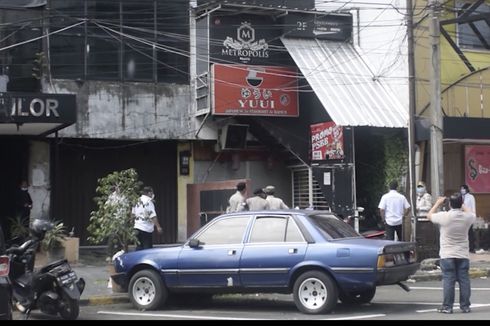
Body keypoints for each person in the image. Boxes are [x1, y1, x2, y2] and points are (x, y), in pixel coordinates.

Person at [427, 193, 476, 314]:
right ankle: (465, 306)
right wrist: (462, 204)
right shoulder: (467, 217)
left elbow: (429, 215)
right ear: (461, 204)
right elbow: (472, 213)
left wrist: (438, 203)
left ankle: (447, 307)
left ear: (449, 204)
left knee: (449, 280)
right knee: (464, 280)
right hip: (463, 254)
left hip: (447, 254)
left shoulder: (445, 216)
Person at [132, 186, 162, 251]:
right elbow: (153, 215)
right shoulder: (149, 202)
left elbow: (132, 214)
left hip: (137, 227)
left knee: (139, 247)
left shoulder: (137, 200)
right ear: (149, 193)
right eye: (152, 192)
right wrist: (158, 227)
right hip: (146, 229)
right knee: (147, 250)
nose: (153, 194)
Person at [461, 184, 476, 253]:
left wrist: (473, 216)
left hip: (469, 217)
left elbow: (473, 207)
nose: (462, 190)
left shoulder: (470, 197)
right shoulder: (460, 197)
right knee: (463, 234)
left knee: (470, 233)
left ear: (466, 189)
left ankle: (472, 248)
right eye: (461, 189)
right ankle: (464, 248)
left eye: (463, 189)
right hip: (462, 217)